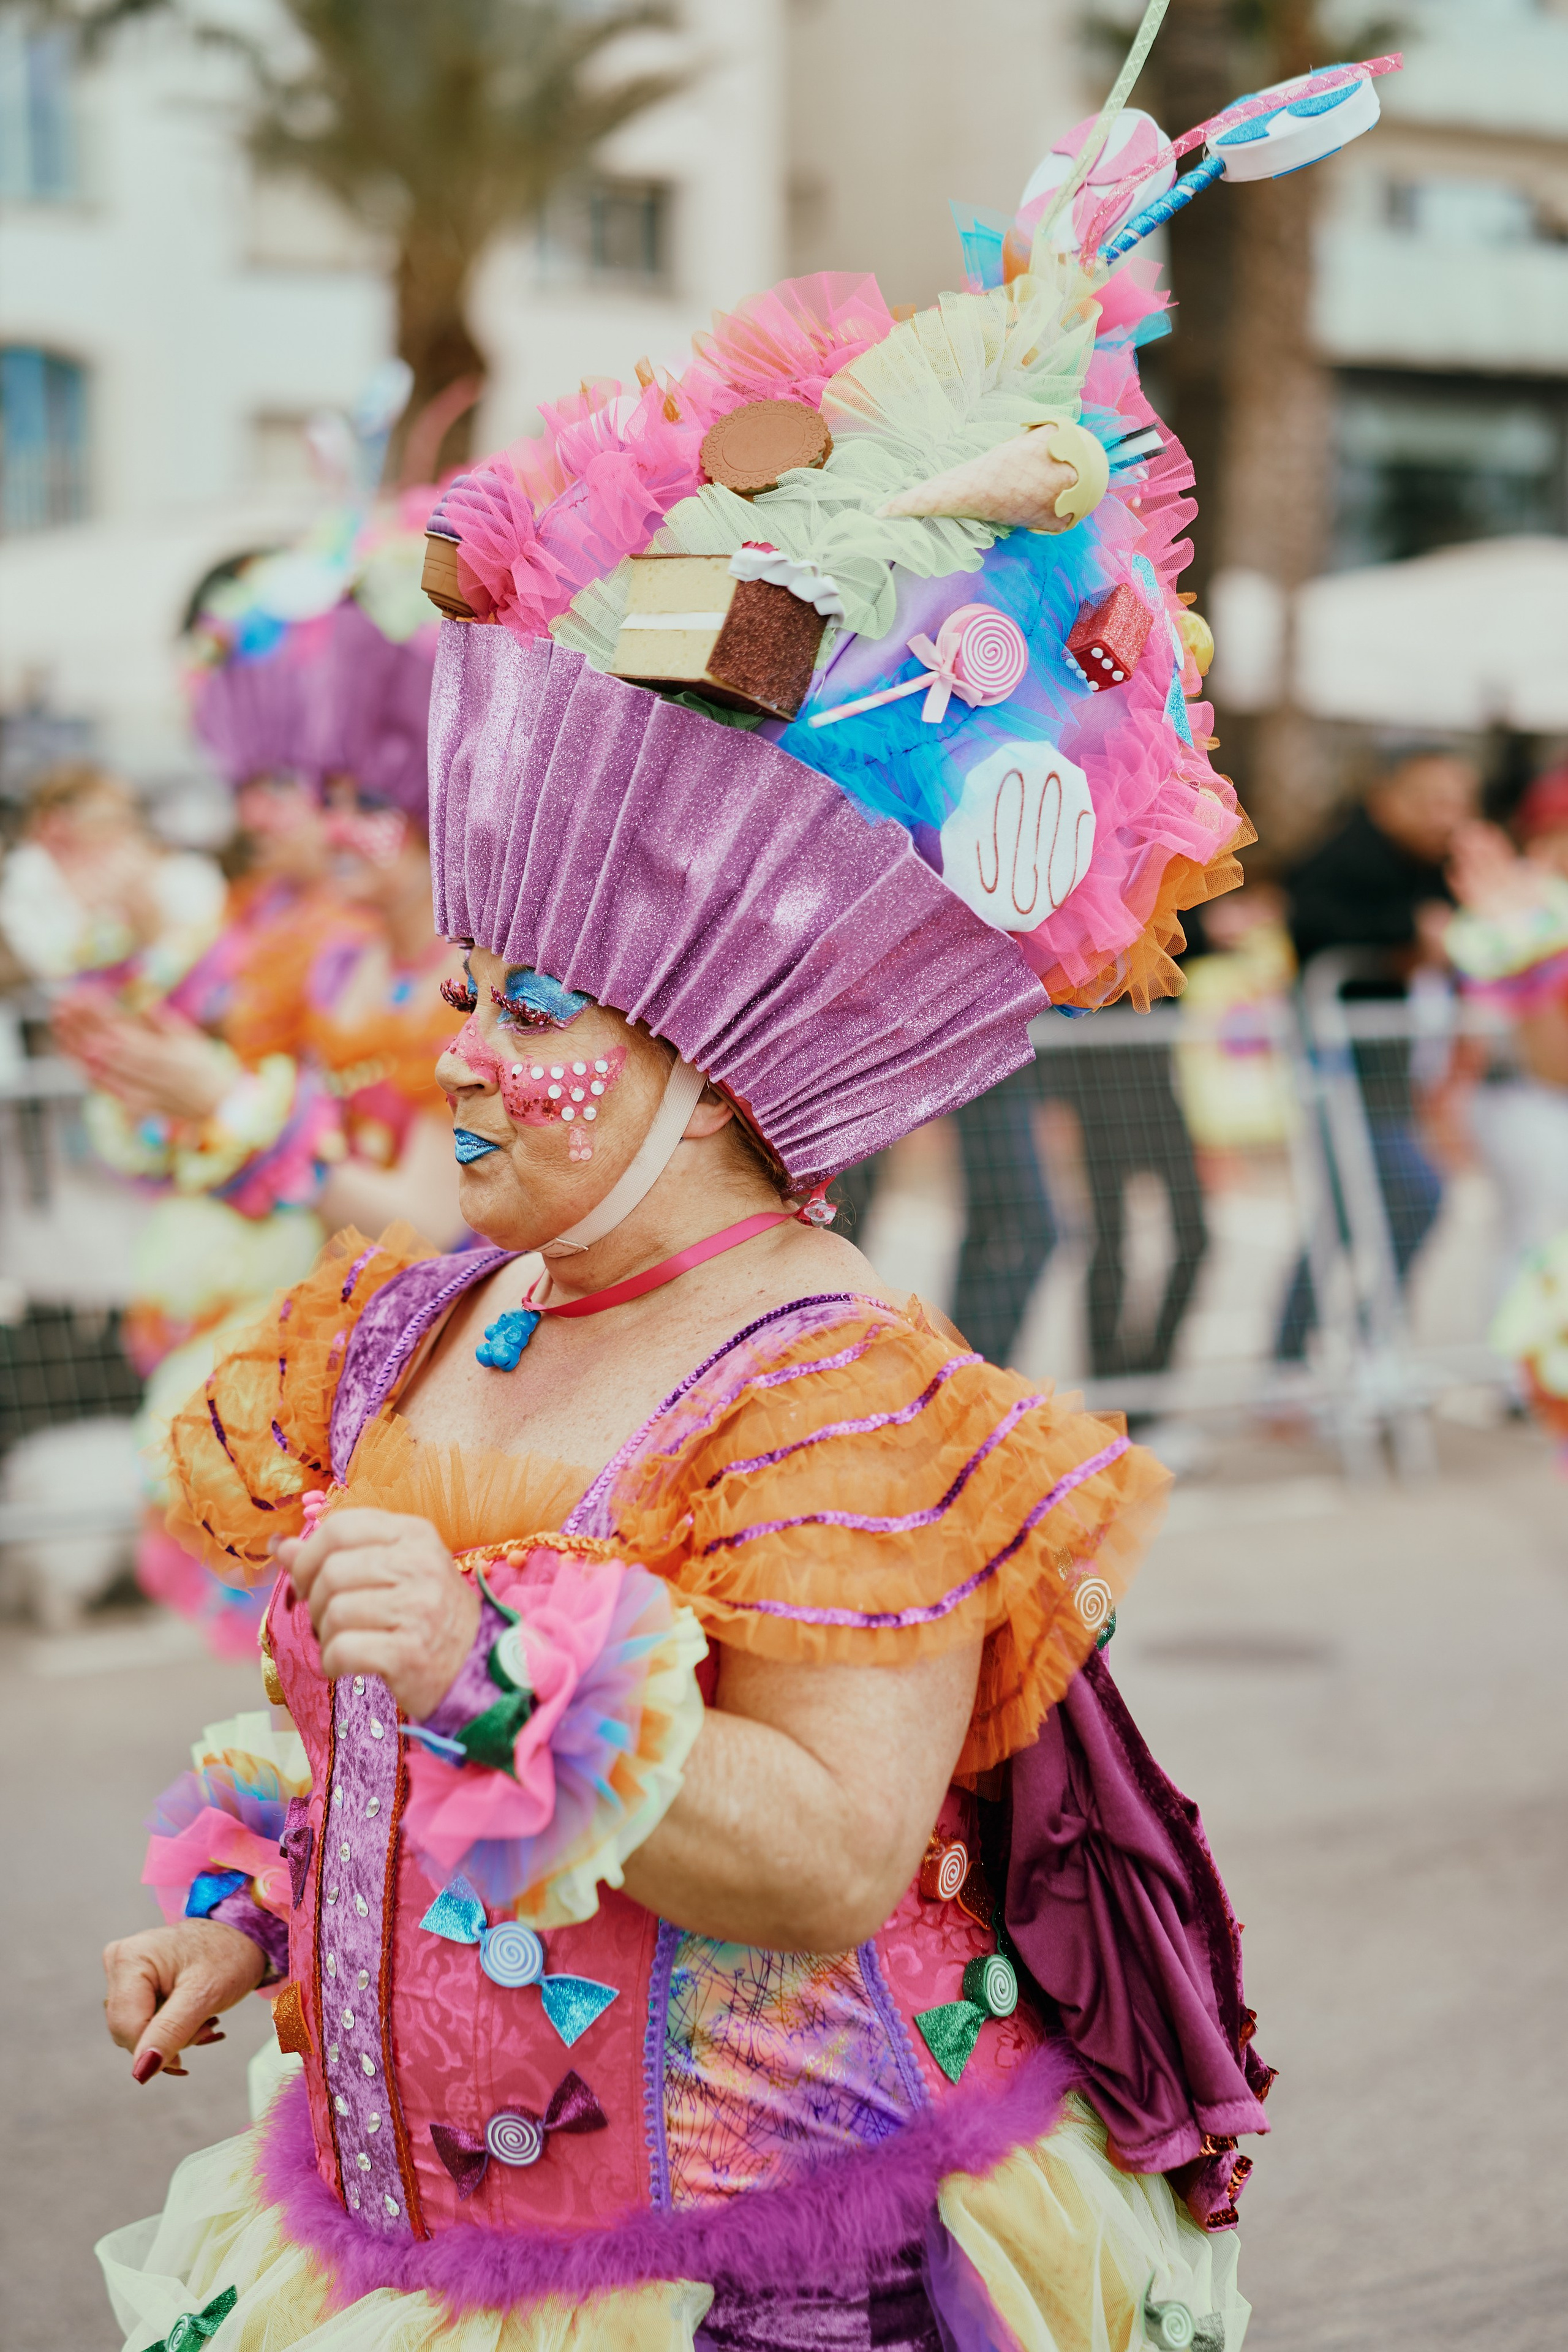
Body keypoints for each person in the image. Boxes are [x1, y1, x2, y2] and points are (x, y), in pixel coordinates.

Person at [96, 208, 1272, 2350]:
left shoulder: (833, 1384)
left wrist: (484, 1663)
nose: (464, 1046)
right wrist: (255, 1911)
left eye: (538, 1003)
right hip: (407, 2259)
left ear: (724, 1063)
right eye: (469, 985)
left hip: (757, 2285)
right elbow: (338, 1734)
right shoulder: (408, 1322)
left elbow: (831, 1852)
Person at [50, 525, 464, 1654]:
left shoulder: (470, 982)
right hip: (334, 1341)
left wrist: (235, 1110)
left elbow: (430, 1219)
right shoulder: (326, 957)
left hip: (440, 1364)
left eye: (355, 797)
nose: (323, 825)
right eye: (298, 788)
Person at [1274, 745, 1479, 1360]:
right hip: (1339, 1064)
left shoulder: (1436, 863)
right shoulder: (1347, 856)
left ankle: (1328, 1352)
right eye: (1430, 801)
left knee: (1349, 1210)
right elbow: (1310, 925)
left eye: (1455, 802)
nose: (1445, 816)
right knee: (1411, 1195)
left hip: (1383, 1062)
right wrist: (1408, 937)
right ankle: (1350, 1349)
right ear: (1385, 799)